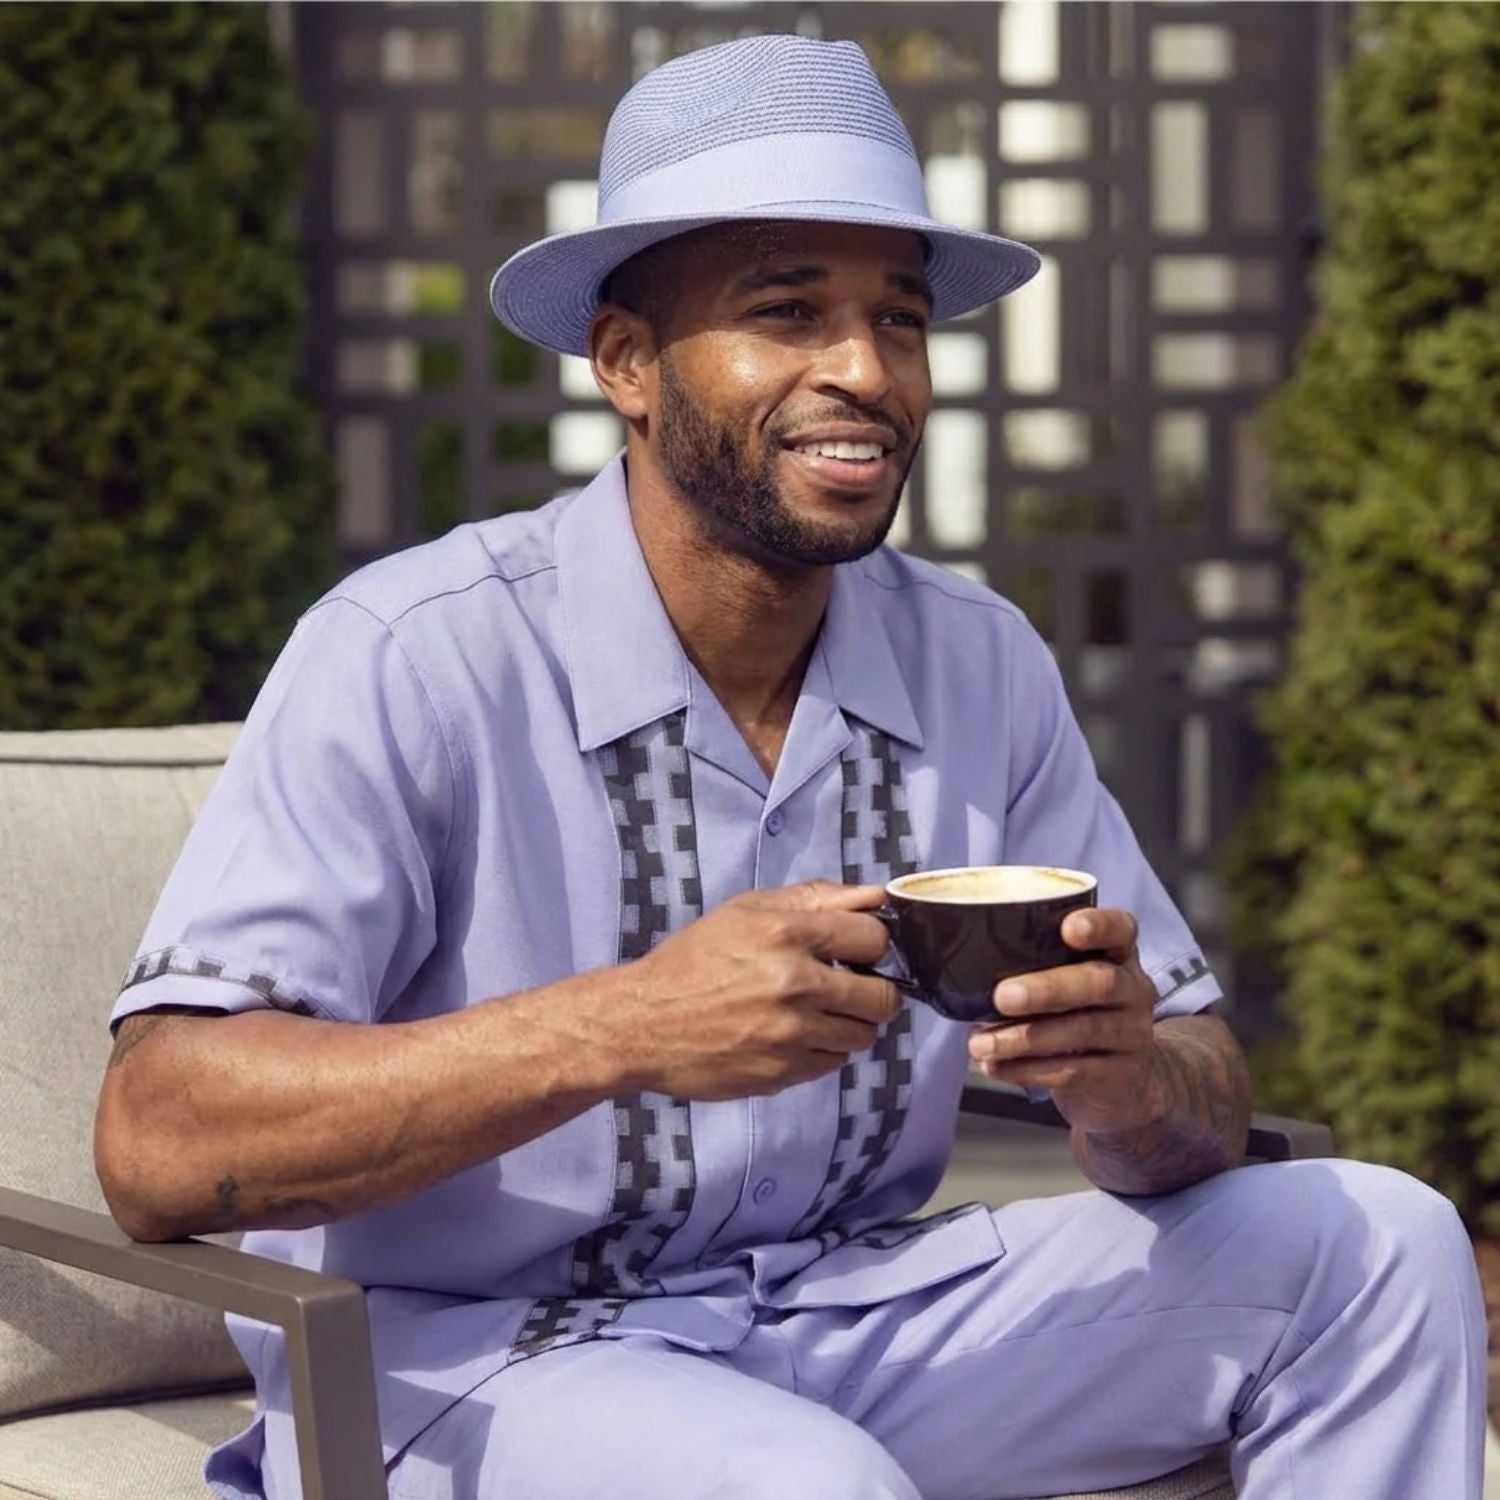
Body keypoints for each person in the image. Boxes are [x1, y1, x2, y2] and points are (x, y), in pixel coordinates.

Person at [95, 35, 1485, 1500]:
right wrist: (621, 1027)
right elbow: (160, 1136)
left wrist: (1129, 1078)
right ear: (626, 362)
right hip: (468, 1363)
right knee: (802, 1483)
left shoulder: (977, 659)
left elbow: (1202, 1069)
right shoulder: (413, 654)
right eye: (788, 312)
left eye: (898, 320)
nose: (865, 373)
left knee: (1380, 1243)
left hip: (848, 1310)